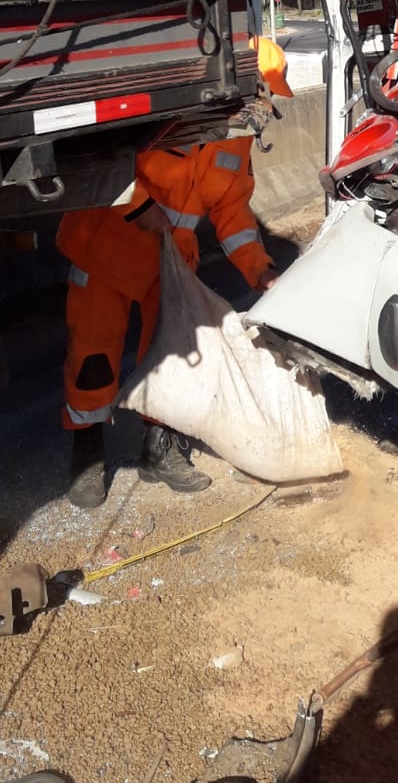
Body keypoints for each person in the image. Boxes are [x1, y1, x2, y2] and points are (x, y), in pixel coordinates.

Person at [59, 37, 294, 508]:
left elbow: (233, 213)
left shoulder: (236, 138)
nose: (267, 107)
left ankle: (158, 451)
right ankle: (86, 453)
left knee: (170, 358)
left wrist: (261, 271)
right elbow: (106, 156)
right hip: (106, 245)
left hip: (168, 268)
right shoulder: (168, 105)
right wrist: (142, 207)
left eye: (269, 98)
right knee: (93, 359)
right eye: (265, 94)